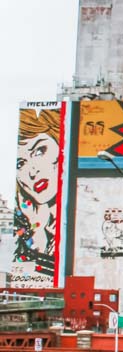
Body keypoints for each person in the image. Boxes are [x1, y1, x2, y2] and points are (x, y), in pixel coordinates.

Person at [13, 108, 63, 283]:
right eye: (21, 163)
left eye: (40, 151)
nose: (32, 172)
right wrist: (36, 230)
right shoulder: (31, 226)